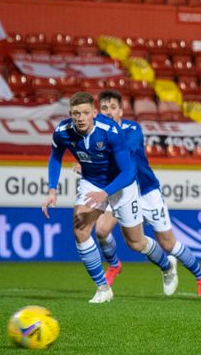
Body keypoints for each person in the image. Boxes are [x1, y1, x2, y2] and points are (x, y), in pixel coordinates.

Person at [42, 92, 178, 303]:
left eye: (85, 113)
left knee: (135, 242)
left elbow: (128, 172)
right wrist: (52, 189)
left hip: (121, 186)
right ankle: (102, 287)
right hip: (92, 182)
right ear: (70, 114)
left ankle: (167, 266)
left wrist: (106, 193)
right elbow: (55, 157)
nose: (80, 118)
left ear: (94, 113)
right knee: (80, 229)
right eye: (76, 113)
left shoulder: (111, 131)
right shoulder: (62, 131)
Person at [90, 90, 201, 296]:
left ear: (121, 111)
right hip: (120, 191)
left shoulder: (132, 128)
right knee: (101, 230)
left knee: (168, 243)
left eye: (113, 108)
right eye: (104, 108)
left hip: (146, 191)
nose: (109, 112)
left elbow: (124, 153)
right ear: (98, 111)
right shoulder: (96, 135)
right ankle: (114, 265)